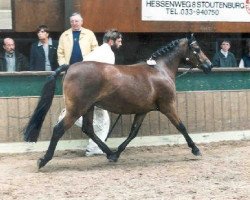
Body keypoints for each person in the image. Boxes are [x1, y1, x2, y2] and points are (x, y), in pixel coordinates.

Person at [58, 29, 123, 156]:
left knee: (100, 119)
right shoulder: (108, 54)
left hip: (84, 87)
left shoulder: (98, 51)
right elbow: (108, 77)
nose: (121, 44)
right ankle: (93, 148)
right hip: (91, 91)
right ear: (111, 41)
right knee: (103, 121)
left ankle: (93, 147)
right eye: (119, 41)